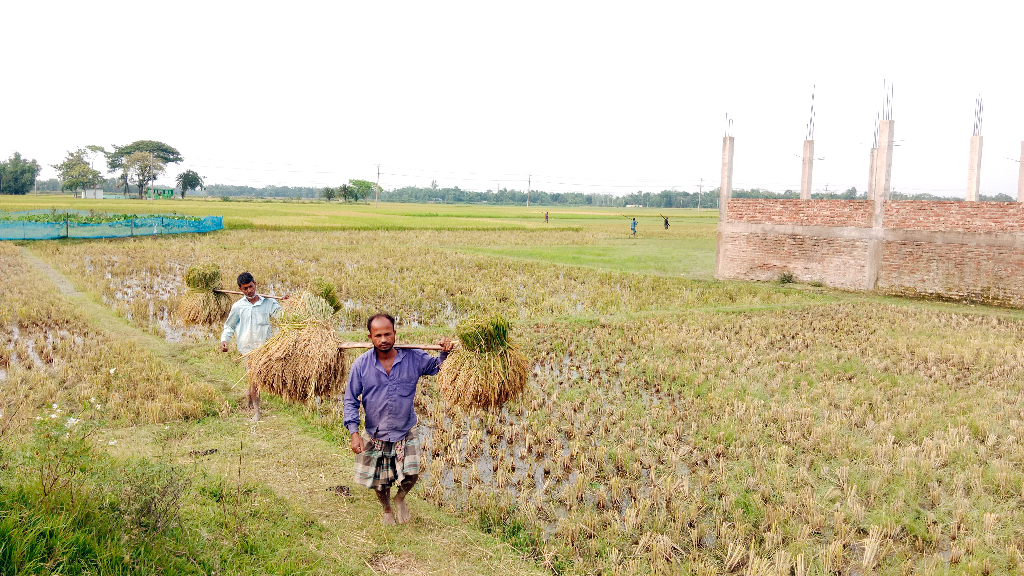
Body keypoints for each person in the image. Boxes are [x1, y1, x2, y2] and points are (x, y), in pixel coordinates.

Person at [344, 313, 455, 525]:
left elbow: (436, 367)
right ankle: (387, 509)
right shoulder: (361, 365)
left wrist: (445, 352)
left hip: (405, 430)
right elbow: (350, 399)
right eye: (378, 335)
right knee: (380, 481)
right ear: (370, 337)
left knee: (412, 474)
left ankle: (400, 497)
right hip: (376, 432)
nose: (383, 339)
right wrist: (354, 433)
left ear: (395, 334)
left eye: (387, 334)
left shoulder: (412, 358)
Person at [220, 271, 286, 422]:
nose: (249, 291)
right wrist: (225, 340)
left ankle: (250, 396)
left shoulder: (269, 303)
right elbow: (229, 326)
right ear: (240, 289)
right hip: (247, 349)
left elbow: (283, 318)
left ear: (255, 284)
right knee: (255, 378)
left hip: (266, 348)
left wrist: (287, 302)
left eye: (251, 286)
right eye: (245, 288)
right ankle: (257, 411)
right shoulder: (238, 307)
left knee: (260, 378)